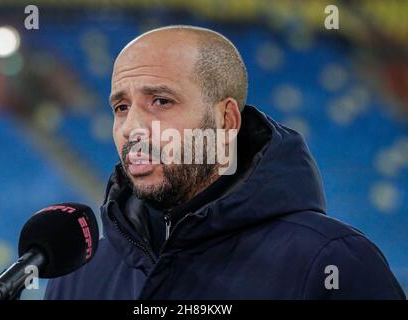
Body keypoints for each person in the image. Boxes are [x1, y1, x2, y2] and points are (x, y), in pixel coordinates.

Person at [45, 25, 405, 299]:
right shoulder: (79, 272)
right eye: (121, 108)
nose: (132, 128)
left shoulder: (331, 261)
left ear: (227, 120)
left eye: (160, 101)